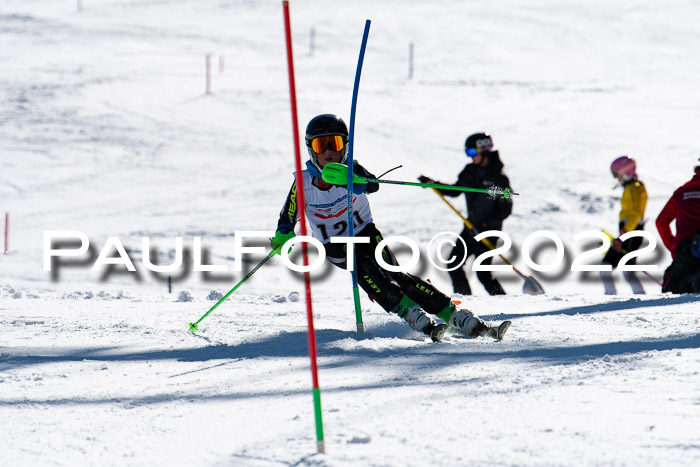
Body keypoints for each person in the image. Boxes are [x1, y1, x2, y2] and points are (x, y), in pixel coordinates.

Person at [271, 114, 511, 341]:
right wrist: (283, 233)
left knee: (397, 274)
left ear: (344, 145)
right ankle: (409, 312)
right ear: (310, 148)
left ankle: (456, 316)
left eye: (334, 143)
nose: (328, 152)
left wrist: (357, 182)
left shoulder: (352, 168)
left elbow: (373, 184)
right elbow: (287, 215)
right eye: (319, 145)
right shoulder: (303, 183)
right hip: (334, 245)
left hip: (365, 232)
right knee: (361, 263)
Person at [418, 132, 512, 295]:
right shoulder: (469, 172)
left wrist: (488, 224)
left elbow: (506, 207)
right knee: (454, 264)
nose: (471, 157)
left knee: (483, 274)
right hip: (470, 227)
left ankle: (505, 302)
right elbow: (455, 191)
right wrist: (433, 184)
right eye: (468, 153)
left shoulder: (498, 178)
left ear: (484, 150)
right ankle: (466, 303)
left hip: (488, 231)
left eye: (472, 153)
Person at [599, 155, 648, 295]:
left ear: (626, 171)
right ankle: (616, 296)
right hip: (629, 232)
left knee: (618, 268)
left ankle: (619, 297)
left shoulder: (636, 188)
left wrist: (624, 233)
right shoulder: (631, 188)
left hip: (631, 232)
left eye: (616, 173)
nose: (615, 178)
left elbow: (636, 213)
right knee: (624, 269)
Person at [655, 159, 700, 294]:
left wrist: (674, 246)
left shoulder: (681, 192)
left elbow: (661, 222)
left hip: (684, 253)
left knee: (675, 289)